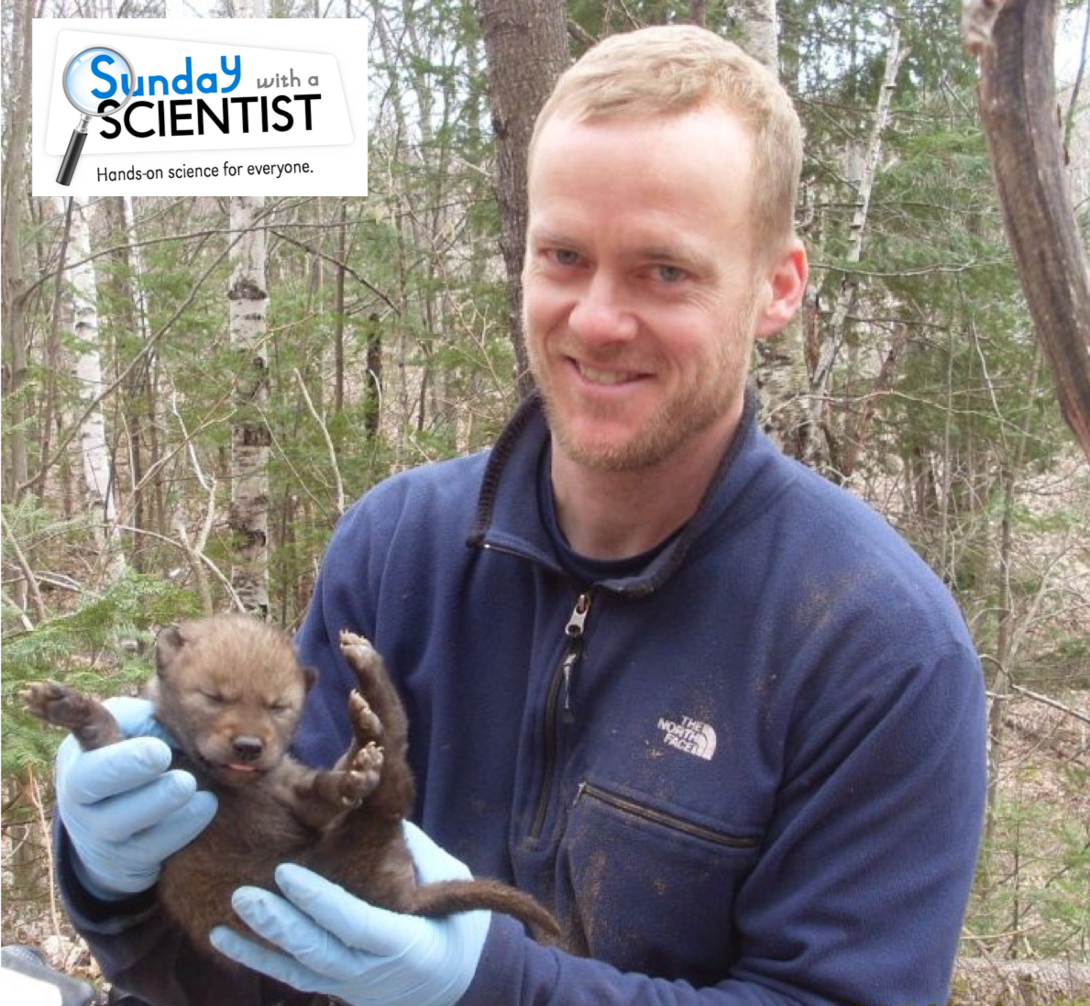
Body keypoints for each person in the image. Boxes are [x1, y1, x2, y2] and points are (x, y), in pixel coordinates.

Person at [52, 24, 986, 1006]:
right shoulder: (396, 551)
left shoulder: (873, 644)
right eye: (565, 255)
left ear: (776, 286)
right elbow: (254, 969)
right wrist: (118, 887)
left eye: (664, 269)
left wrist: (491, 986)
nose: (595, 318)